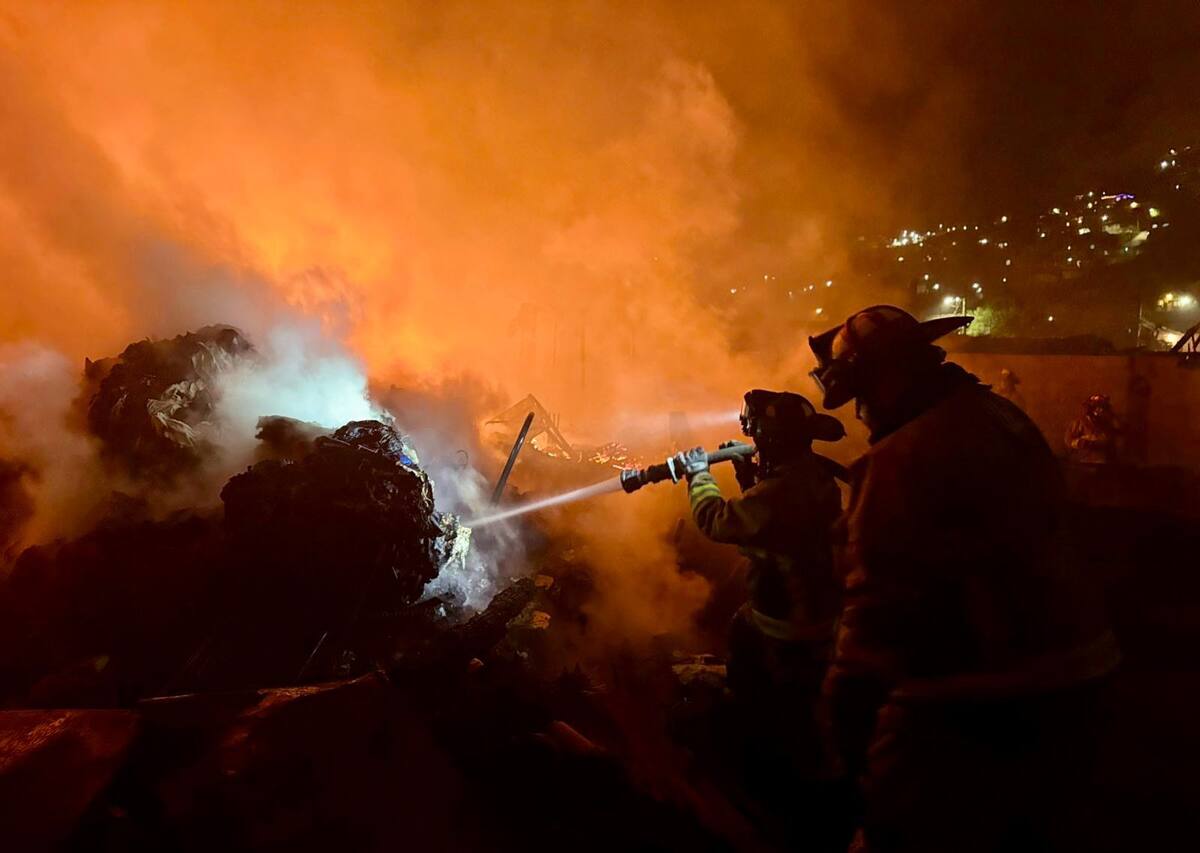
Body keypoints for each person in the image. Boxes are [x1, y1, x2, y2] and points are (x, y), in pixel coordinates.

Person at [808, 305, 1120, 853]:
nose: (858, 412)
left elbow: (872, 629)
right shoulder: (1000, 416)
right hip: (1080, 688)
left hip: (971, 709)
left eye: (859, 393)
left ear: (886, 378)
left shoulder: (900, 459)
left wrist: (841, 743)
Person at [674, 390, 850, 847]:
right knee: (743, 630)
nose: (749, 438)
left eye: (754, 433)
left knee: (775, 711)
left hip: (785, 625)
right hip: (811, 616)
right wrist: (746, 472)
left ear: (772, 439)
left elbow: (718, 520)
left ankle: (776, 802)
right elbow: (773, 514)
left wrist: (699, 476)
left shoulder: (780, 491)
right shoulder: (812, 476)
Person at [1065, 393, 1122, 465]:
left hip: (1105, 463)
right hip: (1086, 462)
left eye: (1103, 407)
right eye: (1098, 407)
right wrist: (1082, 442)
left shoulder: (1106, 424)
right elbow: (1068, 440)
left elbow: (1114, 437)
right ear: (1091, 408)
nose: (1101, 410)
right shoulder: (1079, 423)